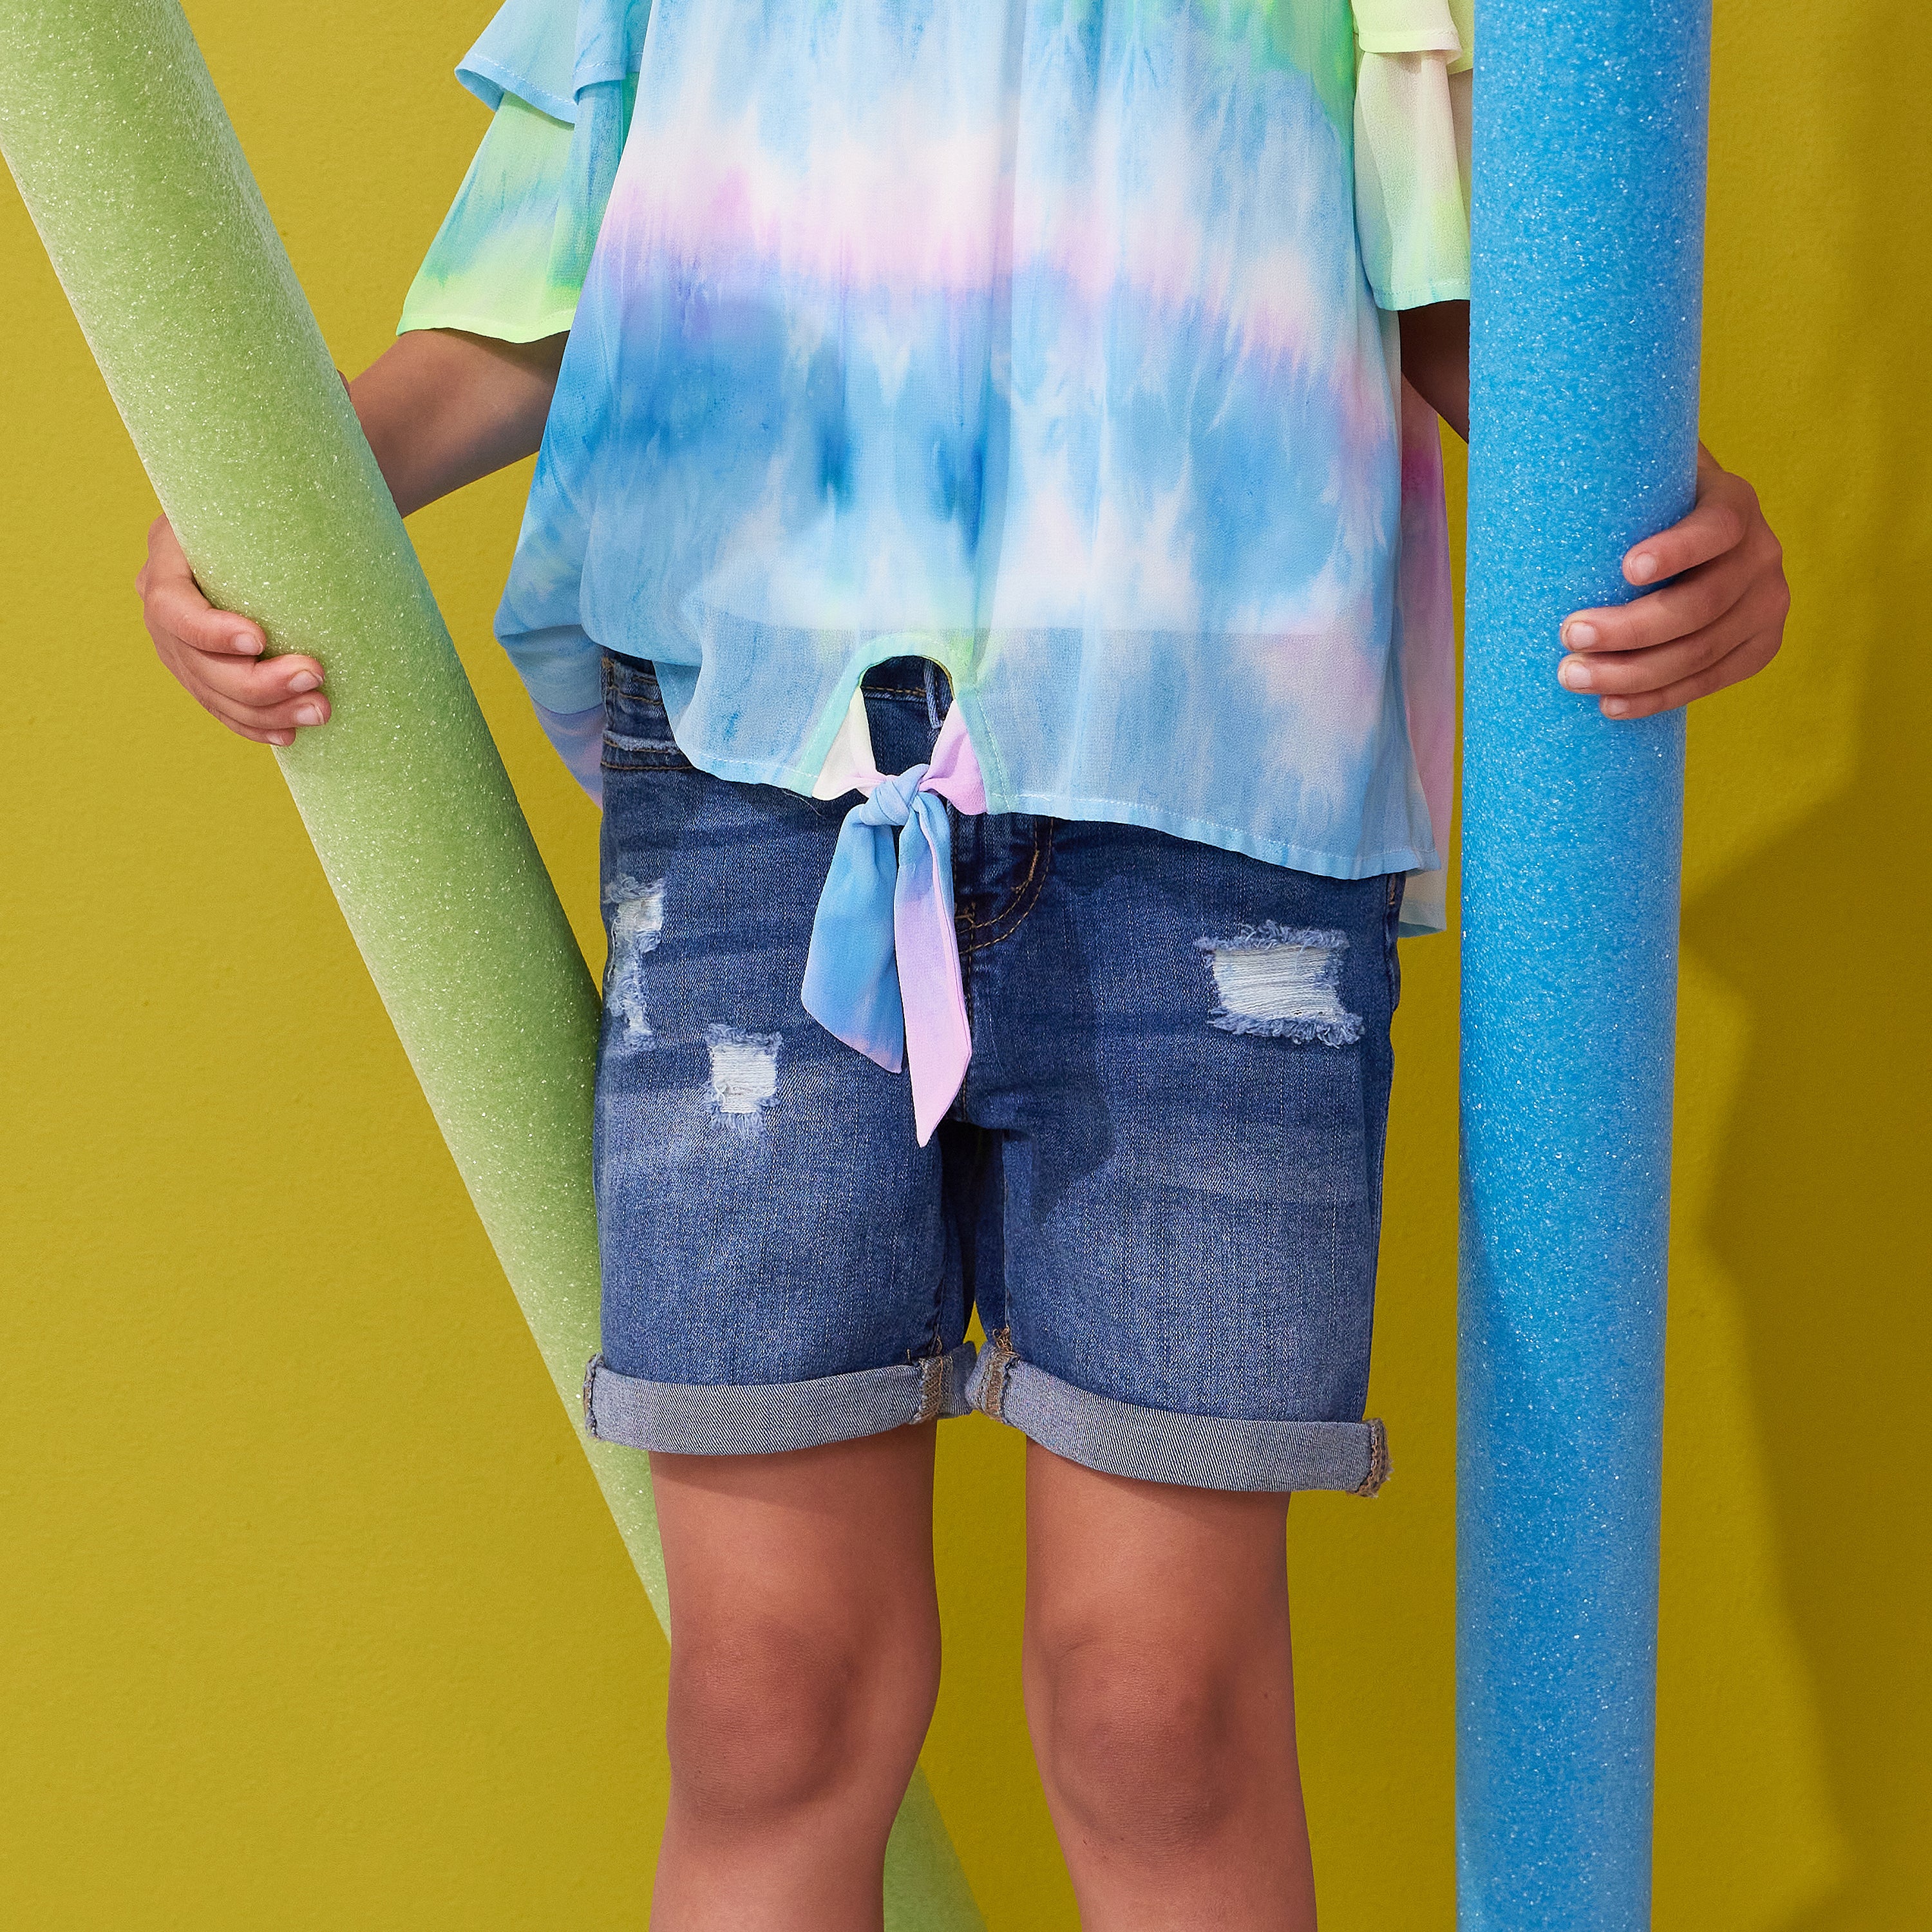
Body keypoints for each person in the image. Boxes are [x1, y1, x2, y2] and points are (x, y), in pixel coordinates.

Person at [136, 3, 1788, 1924]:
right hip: (762, 789)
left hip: (1217, 806)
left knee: (1158, 1713)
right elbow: (556, 275)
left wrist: (1668, 516)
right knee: (768, 1699)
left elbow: (1437, 271)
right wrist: (260, 500)